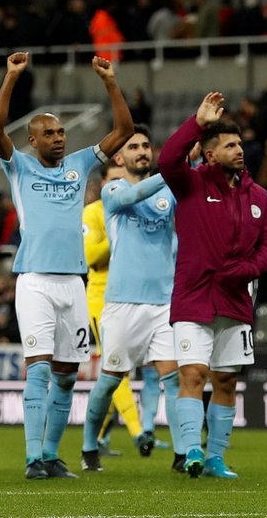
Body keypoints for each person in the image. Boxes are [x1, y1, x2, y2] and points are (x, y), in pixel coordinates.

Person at [0, 51, 134, 480]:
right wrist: (11, 77)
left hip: (73, 283)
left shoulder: (80, 164)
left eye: (61, 131)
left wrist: (109, 82)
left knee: (68, 374)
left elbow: (124, 130)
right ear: (32, 140)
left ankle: (51, 455)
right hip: (33, 280)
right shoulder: (19, 167)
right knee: (39, 366)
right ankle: (33, 457)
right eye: (49, 132)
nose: (58, 137)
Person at [159, 92, 267, 479]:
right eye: (229, 144)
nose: (239, 149)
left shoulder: (258, 197)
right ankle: (192, 449)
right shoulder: (189, 184)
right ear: (210, 154)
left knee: (226, 380)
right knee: (192, 375)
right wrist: (198, 122)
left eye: (240, 143)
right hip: (194, 297)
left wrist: (247, 271)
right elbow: (166, 160)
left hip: (236, 300)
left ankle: (216, 458)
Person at [80, 124, 187, 474]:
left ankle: (183, 454)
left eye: (146, 145)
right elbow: (129, 198)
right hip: (123, 303)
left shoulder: (168, 194)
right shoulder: (112, 190)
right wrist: (171, 173)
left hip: (164, 302)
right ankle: (89, 445)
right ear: (119, 156)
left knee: (173, 378)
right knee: (110, 379)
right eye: (134, 147)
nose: (142, 151)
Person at [82, 158, 149, 457]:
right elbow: (91, 257)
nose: (120, 187)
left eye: (124, 181)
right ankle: (138, 432)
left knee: (129, 371)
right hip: (102, 298)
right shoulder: (93, 213)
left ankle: (96, 437)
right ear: (103, 185)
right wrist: (117, 231)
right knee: (115, 369)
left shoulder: (139, 209)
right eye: (114, 181)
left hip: (136, 296)